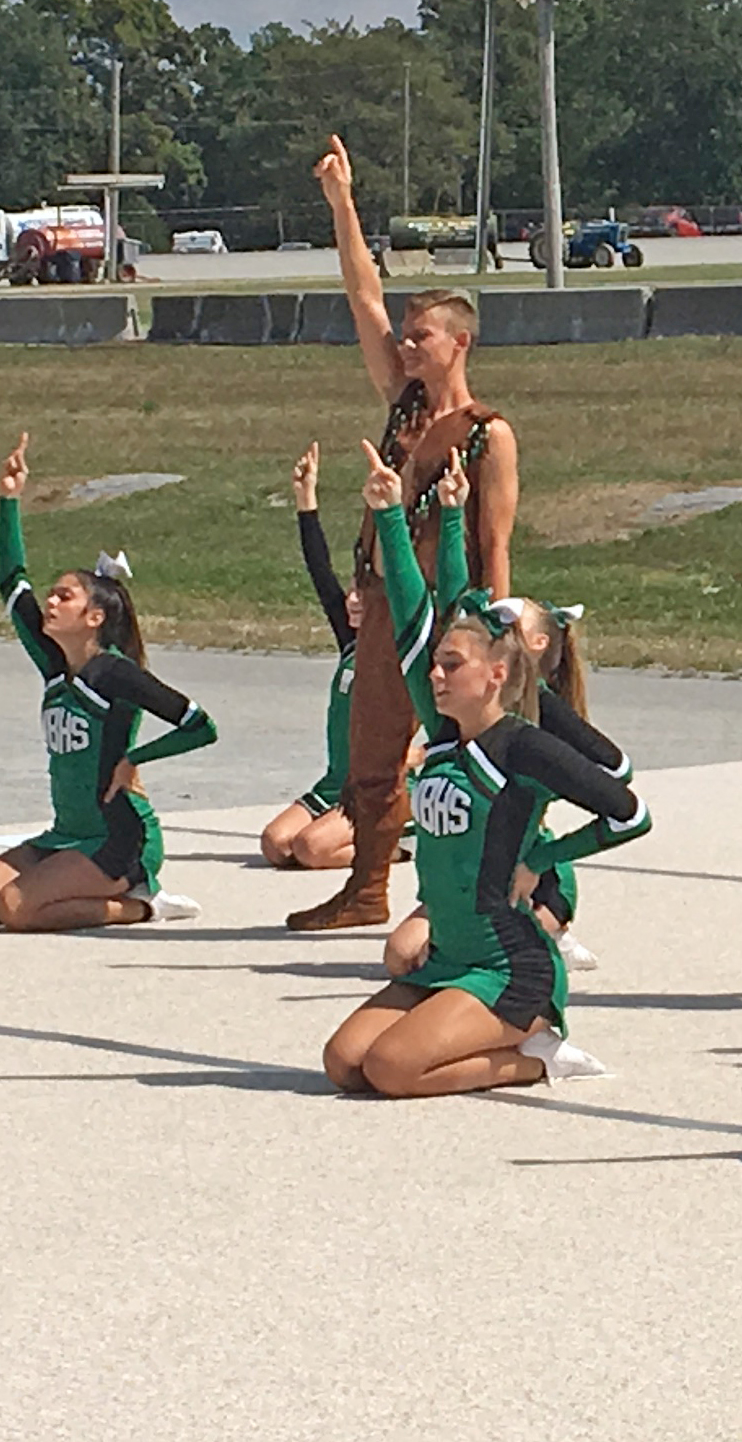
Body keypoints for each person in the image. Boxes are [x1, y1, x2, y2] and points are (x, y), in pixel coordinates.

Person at [321, 446, 648, 1099]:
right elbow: (419, 620)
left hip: (507, 963)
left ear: (496, 675)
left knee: (391, 1070)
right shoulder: (442, 740)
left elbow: (628, 811)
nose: (435, 677)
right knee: (344, 1063)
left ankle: (538, 1057)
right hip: (447, 954)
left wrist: (547, 857)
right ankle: (475, 1031)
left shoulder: (521, 746)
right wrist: (394, 515)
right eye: (436, 668)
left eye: (452, 668)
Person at [290, 132, 520, 932]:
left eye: (421, 335)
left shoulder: (487, 431)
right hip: (388, 606)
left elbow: (495, 539)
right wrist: (342, 205)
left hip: (449, 614)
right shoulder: (405, 407)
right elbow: (361, 297)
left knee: (473, 753)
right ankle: (365, 890)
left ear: (459, 342)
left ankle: (503, 891)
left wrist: (496, 629)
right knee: (372, 753)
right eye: (407, 334)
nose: (405, 343)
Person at [0, 436, 219, 932]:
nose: (50, 603)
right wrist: (9, 498)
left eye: (64, 596)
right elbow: (12, 582)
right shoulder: (55, 666)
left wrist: (134, 759)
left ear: (94, 616)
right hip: (66, 833)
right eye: (51, 596)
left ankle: (144, 902)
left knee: (15, 909)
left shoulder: (114, 672)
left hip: (116, 837)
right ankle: (73, 885)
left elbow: (200, 726)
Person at [261, 443, 369, 871]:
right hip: (334, 783)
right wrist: (307, 500)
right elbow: (321, 573)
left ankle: (396, 844)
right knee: (276, 844)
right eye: (354, 589)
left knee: (310, 849)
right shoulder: (351, 641)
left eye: (366, 591)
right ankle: (336, 831)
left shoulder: (404, 652)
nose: (354, 599)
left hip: (376, 788)